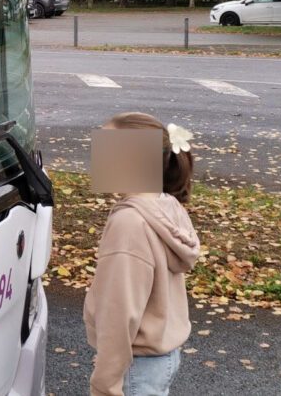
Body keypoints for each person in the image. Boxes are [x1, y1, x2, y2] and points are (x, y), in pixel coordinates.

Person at [85, 112, 200, 396]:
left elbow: (120, 313)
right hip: (159, 359)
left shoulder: (130, 223)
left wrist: (105, 384)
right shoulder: (166, 206)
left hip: (135, 367)